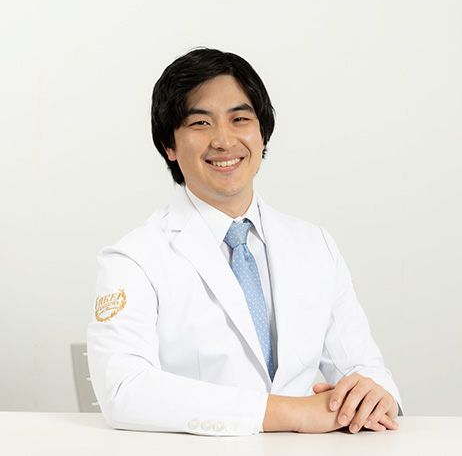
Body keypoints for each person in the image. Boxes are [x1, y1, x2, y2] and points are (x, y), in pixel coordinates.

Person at [87, 48, 402, 436]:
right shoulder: (133, 259)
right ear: (169, 145)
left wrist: (376, 396)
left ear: (262, 132)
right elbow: (124, 391)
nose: (224, 140)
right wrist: (293, 413)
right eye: (200, 123)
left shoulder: (314, 244)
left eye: (240, 119)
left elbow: (364, 369)